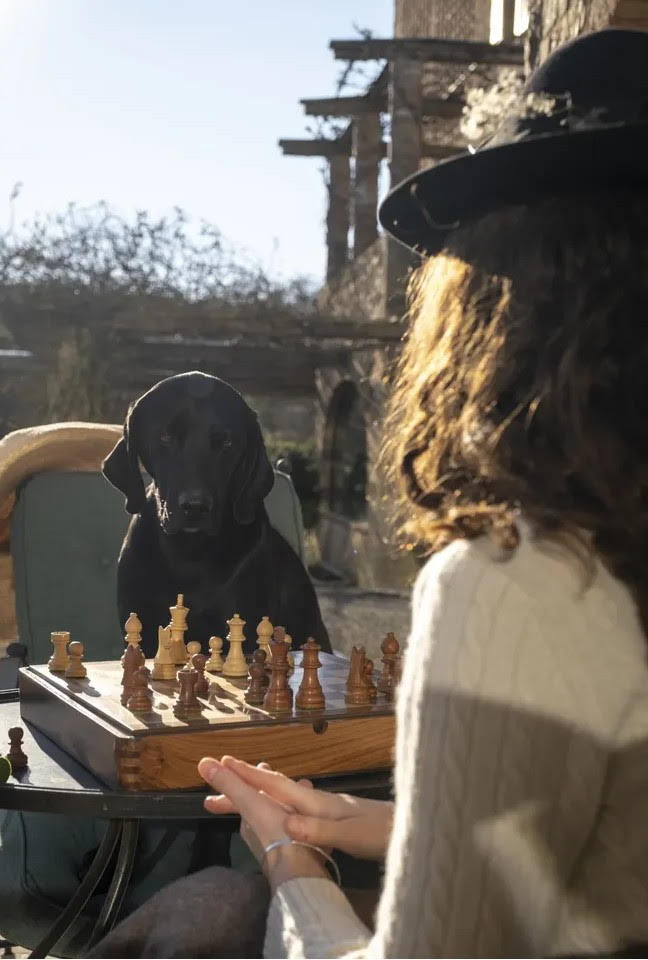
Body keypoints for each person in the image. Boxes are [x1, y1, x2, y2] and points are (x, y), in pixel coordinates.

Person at [195, 28, 648, 959]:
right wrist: (364, 820)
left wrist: (289, 863)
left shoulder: (522, 585)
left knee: (203, 906)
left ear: (494, 310)